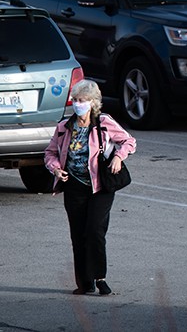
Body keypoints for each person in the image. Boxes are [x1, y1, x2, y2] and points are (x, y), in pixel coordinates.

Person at [43, 79, 136, 296]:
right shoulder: (64, 127)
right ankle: (85, 282)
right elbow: (50, 153)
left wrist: (118, 158)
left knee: (95, 230)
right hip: (74, 186)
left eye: (82, 100)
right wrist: (56, 169)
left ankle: (100, 277)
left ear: (93, 103)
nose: (77, 104)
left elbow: (129, 141)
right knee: (78, 234)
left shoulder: (103, 122)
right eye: (75, 100)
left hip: (100, 186)